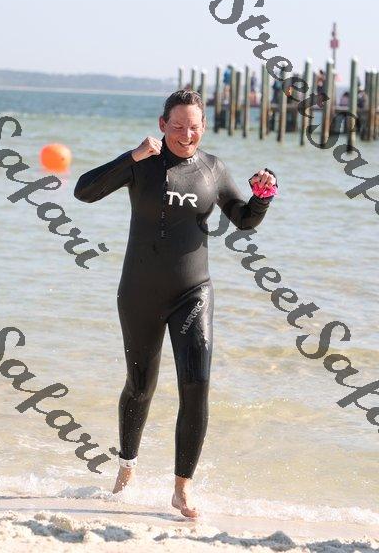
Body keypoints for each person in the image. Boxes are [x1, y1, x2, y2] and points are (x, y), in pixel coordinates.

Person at [74, 90, 277, 518]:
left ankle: (182, 488)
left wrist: (261, 199)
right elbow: (84, 192)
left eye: (195, 127)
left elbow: (243, 220)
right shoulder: (142, 164)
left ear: (204, 127)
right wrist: (130, 157)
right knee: (140, 386)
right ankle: (126, 467)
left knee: (196, 385)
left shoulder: (213, 169)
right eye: (179, 126)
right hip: (140, 293)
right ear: (162, 124)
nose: (187, 135)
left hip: (193, 293)